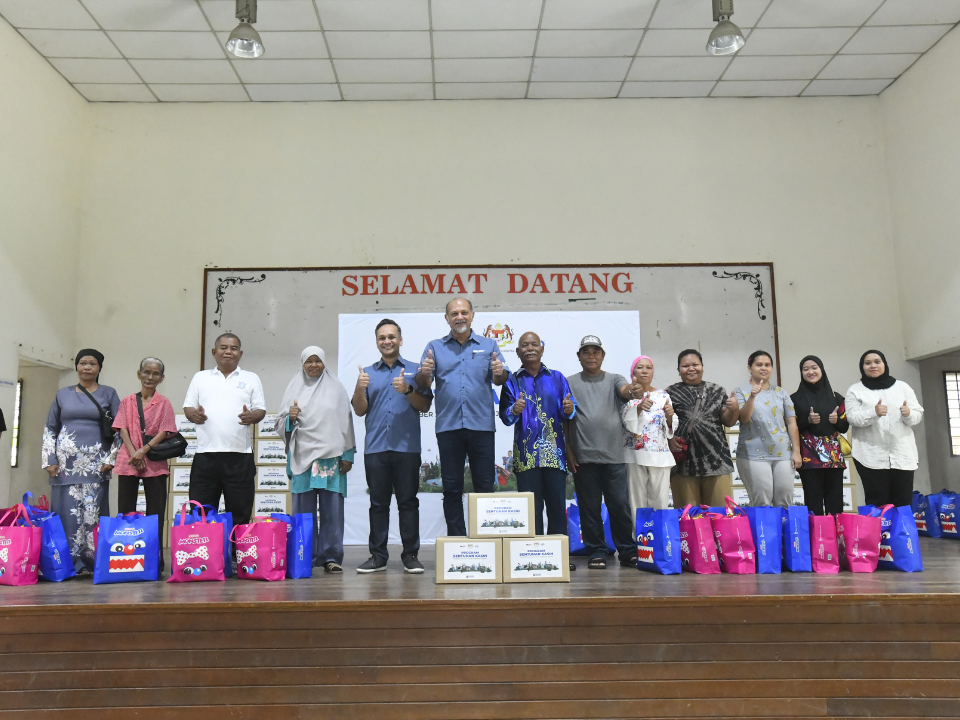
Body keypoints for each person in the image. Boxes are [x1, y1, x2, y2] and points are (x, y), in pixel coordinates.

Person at [415, 298, 509, 536]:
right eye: (454, 313)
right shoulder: (434, 347)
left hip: (482, 427)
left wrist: (499, 373)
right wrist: (425, 373)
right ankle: (458, 541)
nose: (459, 317)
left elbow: (500, 378)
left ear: (472, 315)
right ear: (447, 318)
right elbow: (423, 384)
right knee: (452, 489)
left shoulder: (489, 345)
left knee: (485, 488)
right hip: (448, 427)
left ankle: (486, 539)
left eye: (464, 312)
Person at [352, 320, 432, 574]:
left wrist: (407, 389)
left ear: (400, 339)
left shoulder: (415, 370)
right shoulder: (367, 372)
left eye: (391, 337)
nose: (387, 341)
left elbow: (425, 406)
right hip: (375, 449)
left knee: (408, 503)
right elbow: (359, 409)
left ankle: (410, 555)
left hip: (406, 447)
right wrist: (359, 387)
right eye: (382, 338)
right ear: (377, 342)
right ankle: (377, 555)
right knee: (378, 504)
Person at [275, 346, 355, 573]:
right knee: (303, 511)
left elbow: (347, 422)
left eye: (318, 361)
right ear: (302, 364)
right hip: (302, 457)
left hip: (330, 458)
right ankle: (304, 555)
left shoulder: (336, 388)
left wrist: (348, 454)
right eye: (308, 361)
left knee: (332, 510)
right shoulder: (293, 388)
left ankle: (331, 557)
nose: (313, 365)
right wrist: (289, 419)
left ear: (324, 363)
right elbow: (280, 423)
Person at [42, 349, 120, 573]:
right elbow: (50, 428)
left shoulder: (109, 393)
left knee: (92, 513)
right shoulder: (62, 394)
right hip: (65, 464)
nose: (87, 367)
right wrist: (50, 459)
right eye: (83, 363)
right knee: (66, 512)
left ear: (99, 368)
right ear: (76, 366)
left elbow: (120, 429)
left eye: (92, 363)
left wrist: (111, 458)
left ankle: (94, 562)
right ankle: (66, 563)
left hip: (97, 463)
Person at [566, 335, 639, 570]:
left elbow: (626, 391)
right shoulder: (568, 382)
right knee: (589, 507)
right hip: (584, 457)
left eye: (595, 351)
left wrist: (634, 389)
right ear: (578, 357)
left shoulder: (615, 379)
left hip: (614, 456)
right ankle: (596, 550)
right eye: (586, 352)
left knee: (619, 506)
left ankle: (627, 551)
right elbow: (565, 420)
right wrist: (569, 451)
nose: (591, 356)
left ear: (602, 356)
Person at [498, 331, 577, 536]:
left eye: (534, 344)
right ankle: (530, 555)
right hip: (526, 457)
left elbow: (569, 409)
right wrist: (514, 410)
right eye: (525, 345)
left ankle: (558, 555)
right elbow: (505, 418)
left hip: (554, 454)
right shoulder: (511, 382)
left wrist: (569, 409)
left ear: (542, 349)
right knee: (530, 510)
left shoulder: (557, 378)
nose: (530, 348)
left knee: (557, 507)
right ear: (517, 352)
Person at [183, 333, 265, 529]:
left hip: (239, 457)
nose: (229, 351)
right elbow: (188, 407)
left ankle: (238, 558)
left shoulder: (251, 378)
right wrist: (193, 415)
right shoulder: (200, 377)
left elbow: (260, 410)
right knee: (202, 513)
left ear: (240, 353)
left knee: (240, 513)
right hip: (205, 457)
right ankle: (206, 557)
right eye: (223, 347)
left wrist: (252, 417)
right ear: (214, 352)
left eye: (234, 348)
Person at [113, 357, 177, 570]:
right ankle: (123, 559)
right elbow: (122, 428)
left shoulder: (164, 402)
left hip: (155, 462)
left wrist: (144, 451)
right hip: (128, 460)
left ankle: (154, 560)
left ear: (162, 378)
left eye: (155, 373)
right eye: (146, 372)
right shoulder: (127, 401)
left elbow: (165, 431)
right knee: (125, 511)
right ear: (138, 373)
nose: (150, 377)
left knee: (156, 514)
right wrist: (134, 454)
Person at [845, 349, 924, 508]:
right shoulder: (855, 390)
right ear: (862, 367)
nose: (873, 366)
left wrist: (908, 414)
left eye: (877, 362)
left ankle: (900, 533)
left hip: (902, 455)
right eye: (868, 363)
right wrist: (873, 412)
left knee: (902, 500)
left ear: (884, 364)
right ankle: (879, 533)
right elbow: (852, 418)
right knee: (877, 501)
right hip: (869, 455)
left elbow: (917, 415)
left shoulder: (902, 387)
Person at [666, 349, 739, 508]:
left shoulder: (717, 390)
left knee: (721, 517)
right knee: (689, 519)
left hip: (717, 462)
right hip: (683, 464)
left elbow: (728, 422)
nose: (691, 368)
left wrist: (734, 409)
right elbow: (663, 424)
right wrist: (670, 439)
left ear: (702, 367)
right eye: (685, 366)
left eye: (695, 365)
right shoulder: (670, 393)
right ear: (678, 370)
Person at [734, 350, 801, 508]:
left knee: (785, 498)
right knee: (762, 501)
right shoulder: (740, 391)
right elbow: (743, 418)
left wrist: (796, 451)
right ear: (750, 368)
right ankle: (763, 533)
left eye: (767, 365)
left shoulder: (780, 392)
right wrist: (752, 397)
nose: (763, 368)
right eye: (759, 365)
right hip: (753, 454)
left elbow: (791, 423)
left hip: (783, 453)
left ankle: (783, 532)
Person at [791, 356, 849, 515]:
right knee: (812, 501)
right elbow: (791, 427)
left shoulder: (836, 397)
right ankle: (816, 537)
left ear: (821, 369)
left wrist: (837, 421)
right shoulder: (794, 399)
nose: (810, 372)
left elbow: (844, 427)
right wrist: (808, 421)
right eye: (805, 369)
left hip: (834, 459)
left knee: (835, 501)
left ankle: (835, 537)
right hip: (809, 459)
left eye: (814, 367)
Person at [621, 356, 678, 512]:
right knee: (636, 502)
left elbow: (670, 428)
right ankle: (637, 536)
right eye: (640, 367)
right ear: (633, 372)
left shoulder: (663, 395)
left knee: (660, 501)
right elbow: (626, 423)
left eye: (648, 367)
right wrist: (638, 407)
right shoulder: (627, 395)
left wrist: (669, 415)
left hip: (660, 455)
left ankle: (658, 535)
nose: (644, 371)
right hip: (635, 455)